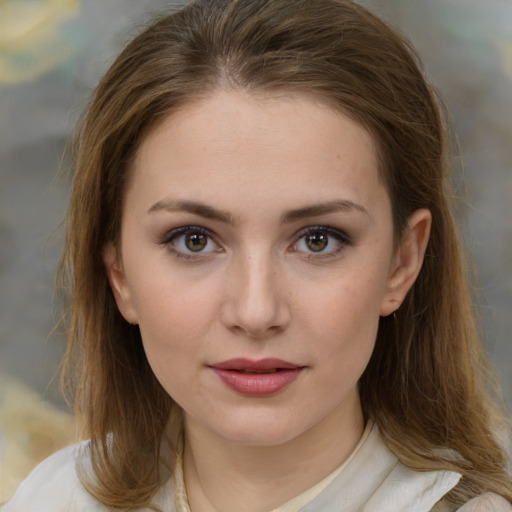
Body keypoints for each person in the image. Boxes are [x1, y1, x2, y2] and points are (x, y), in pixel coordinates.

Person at [2, 0, 511, 510]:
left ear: (402, 263)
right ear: (120, 276)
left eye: (318, 239)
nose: (255, 311)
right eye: (193, 240)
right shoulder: (53, 498)